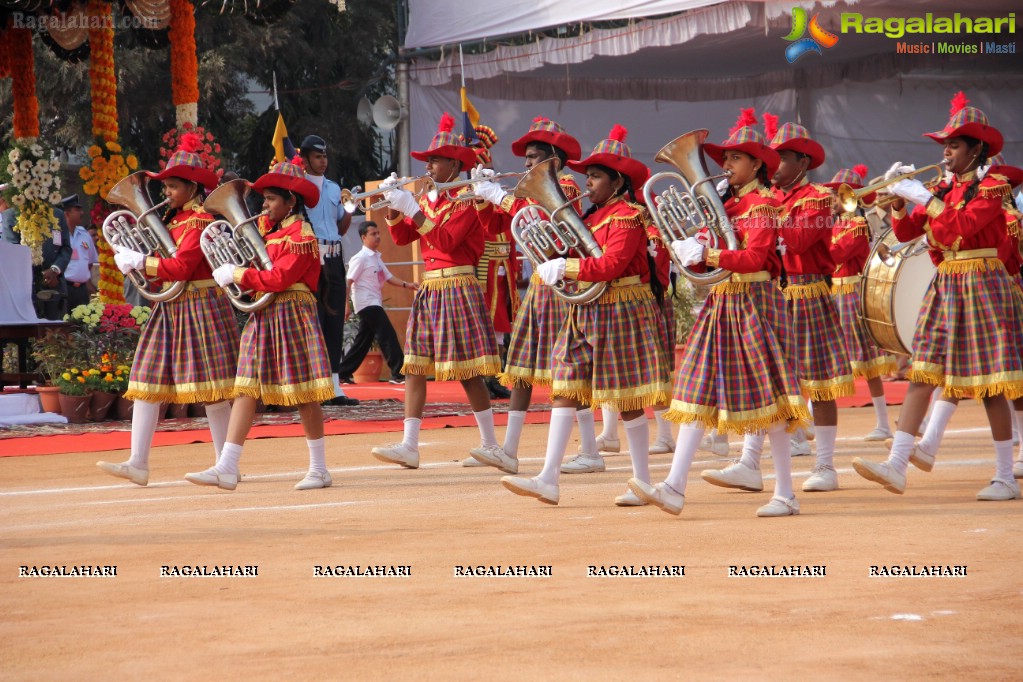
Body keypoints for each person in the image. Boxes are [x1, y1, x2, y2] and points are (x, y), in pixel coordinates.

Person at [631, 111, 810, 517]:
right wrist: (689, 251)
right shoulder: (730, 204)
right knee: (695, 391)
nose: (725, 166)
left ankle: (785, 493)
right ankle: (675, 486)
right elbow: (714, 262)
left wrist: (707, 252)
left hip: (754, 303)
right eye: (725, 158)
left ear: (757, 165)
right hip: (723, 302)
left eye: (735, 159)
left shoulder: (762, 204)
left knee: (772, 399)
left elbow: (754, 257)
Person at [852, 92, 1023, 501]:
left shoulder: (995, 186)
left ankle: (1004, 476)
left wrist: (926, 199)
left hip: (983, 280)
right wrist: (898, 201)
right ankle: (896, 465)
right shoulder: (941, 187)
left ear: (976, 149)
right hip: (946, 281)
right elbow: (911, 232)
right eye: (944, 145)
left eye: (953, 145)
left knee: (991, 384)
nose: (945, 153)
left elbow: (962, 226)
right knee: (922, 372)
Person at [496, 124, 670, 505]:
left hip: (623, 309)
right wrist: (558, 260)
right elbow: (582, 255)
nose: (587, 183)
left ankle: (642, 480)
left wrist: (567, 268)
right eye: (587, 176)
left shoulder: (629, 216)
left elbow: (611, 265)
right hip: (590, 309)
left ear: (617, 181)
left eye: (594, 176)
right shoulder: (594, 217)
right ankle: (548, 477)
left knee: (627, 399)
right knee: (565, 385)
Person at [471, 117, 609, 491]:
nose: (527, 163)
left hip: (559, 283)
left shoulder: (563, 184)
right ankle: (510, 450)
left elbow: (546, 219)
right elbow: (498, 229)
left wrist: (501, 195)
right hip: (539, 284)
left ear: (553, 159)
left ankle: (590, 451)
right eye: (527, 157)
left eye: (534, 157)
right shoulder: (532, 189)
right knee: (523, 368)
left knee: (568, 371)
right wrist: (485, 198)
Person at [96, 133, 238, 487]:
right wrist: (137, 263)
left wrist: (141, 261)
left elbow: (180, 269)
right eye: (167, 187)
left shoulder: (200, 222)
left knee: (212, 389)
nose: (167, 194)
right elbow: (166, 270)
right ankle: (137, 462)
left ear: (192, 187)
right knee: (146, 380)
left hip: (201, 304)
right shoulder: (175, 222)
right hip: (174, 305)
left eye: (174, 187)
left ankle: (226, 464)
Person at [186, 156, 336, 491]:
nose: (264, 206)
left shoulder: (302, 235)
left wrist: (236, 272)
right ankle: (227, 465)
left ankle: (320, 468)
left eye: (270, 200)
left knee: (305, 393)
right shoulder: (269, 234)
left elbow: (280, 277)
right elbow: (262, 277)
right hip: (265, 313)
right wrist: (236, 270)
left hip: (292, 312)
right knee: (245, 388)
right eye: (264, 199)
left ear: (290, 202)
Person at [370, 113, 506, 470]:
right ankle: (409, 444)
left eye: (434, 160)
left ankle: (491, 444)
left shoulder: (466, 199)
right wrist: (394, 208)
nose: (427, 166)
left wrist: (411, 207)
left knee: (468, 371)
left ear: (454, 164)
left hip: (459, 285)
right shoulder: (430, 199)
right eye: (428, 160)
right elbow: (402, 238)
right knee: (414, 365)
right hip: (431, 287)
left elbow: (444, 240)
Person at [766, 118, 854, 492]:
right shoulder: (766, 197)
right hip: (773, 294)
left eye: (782, 158)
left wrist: (760, 215)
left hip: (808, 292)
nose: (774, 166)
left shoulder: (816, 196)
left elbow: (799, 242)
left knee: (820, 383)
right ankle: (752, 461)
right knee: (769, 381)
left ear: (802, 163)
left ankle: (826, 466)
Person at [824, 166, 896, 440]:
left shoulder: (857, 225)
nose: (832, 198)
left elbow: (834, 254)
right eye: (832, 193)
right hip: (835, 293)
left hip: (853, 294)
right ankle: (809, 418)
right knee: (831, 359)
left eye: (837, 193)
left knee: (867, 361)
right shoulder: (834, 224)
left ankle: (883, 423)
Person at [300, 134, 358, 407]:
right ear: (305, 159)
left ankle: (334, 387)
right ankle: (314, 385)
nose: (323, 161)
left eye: (325, 157)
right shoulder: (298, 188)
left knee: (334, 322)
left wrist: (349, 210)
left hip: (334, 257)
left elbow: (340, 229)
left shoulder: (335, 189)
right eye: (317, 157)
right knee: (315, 322)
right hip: (311, 257)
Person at [337, 221, 413, 384]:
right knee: (387, 335)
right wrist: (345, 306)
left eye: (378, 233)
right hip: (366, 303)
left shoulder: (376, 258)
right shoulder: (360, 258)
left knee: (363, 342)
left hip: (374, 301)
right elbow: (348, 282)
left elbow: (389, 277)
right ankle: (398, 373)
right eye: (373, 234)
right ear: (363, 237)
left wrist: (408, 285)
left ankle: (342, 373)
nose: (378, 237)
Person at [470, 125, 515, 401]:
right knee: (486, 326)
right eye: (480, 163)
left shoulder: (497, 191)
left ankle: (495, 377)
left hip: (502, 271)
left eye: (487, 162)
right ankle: (485, 379)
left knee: (500, 326)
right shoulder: (471, 196)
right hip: (484, 269)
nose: (487, 166)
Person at [2, 197, 72, 320]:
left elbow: (65, 248)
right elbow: (12, 251)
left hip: (54, 283)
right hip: (23, 287)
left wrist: (55, 269)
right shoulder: (11, 214)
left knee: (56, 333)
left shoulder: (56, 214)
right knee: (28, 334)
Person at [61, 195, 98, 310]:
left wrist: (82, 277)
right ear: (66, 214)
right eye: (77, 210)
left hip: (82, 290)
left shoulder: (84, 234)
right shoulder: (57, 235)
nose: (82, 213)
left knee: (81, 325)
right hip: (64, 288)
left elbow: (90, 262)